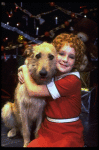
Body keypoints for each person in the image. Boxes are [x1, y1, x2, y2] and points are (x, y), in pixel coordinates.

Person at [18, 33, 86, 147]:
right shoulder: (53, 75)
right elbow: (35, 71)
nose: (65, 59)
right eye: (61, 54)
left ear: (76, 61)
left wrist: (24, 70)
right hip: (48, 128)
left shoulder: (72, 80)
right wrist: (22, 72)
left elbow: (33, 91)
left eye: (71, 57)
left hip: (67, 131)